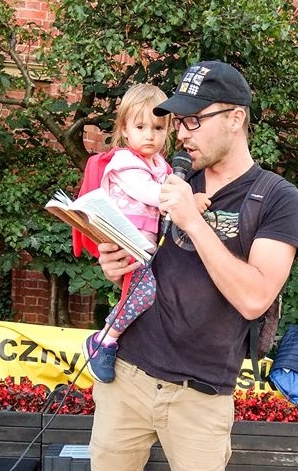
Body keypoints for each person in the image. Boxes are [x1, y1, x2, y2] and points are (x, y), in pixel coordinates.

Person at [72, 61, 298, 471]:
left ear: (237, 119)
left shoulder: (275, 199)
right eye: (178, 122)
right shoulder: (165, 178)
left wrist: (194, 221)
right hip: (129, 375)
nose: (182, 135)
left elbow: (254, 296)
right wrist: (112, 257)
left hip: (202, 391)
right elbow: (132, 252)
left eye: (195, 122)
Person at [84, 83, 211, 383]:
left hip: (144, 246)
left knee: (145, 292)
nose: (150, 135)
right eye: (140, 127)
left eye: (158, 128)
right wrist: (189, 201)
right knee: (144, 293)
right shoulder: (125, 163)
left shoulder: (160, 166)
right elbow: (151, 194)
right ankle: (104, 340)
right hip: (125, 240)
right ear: (124, 130)